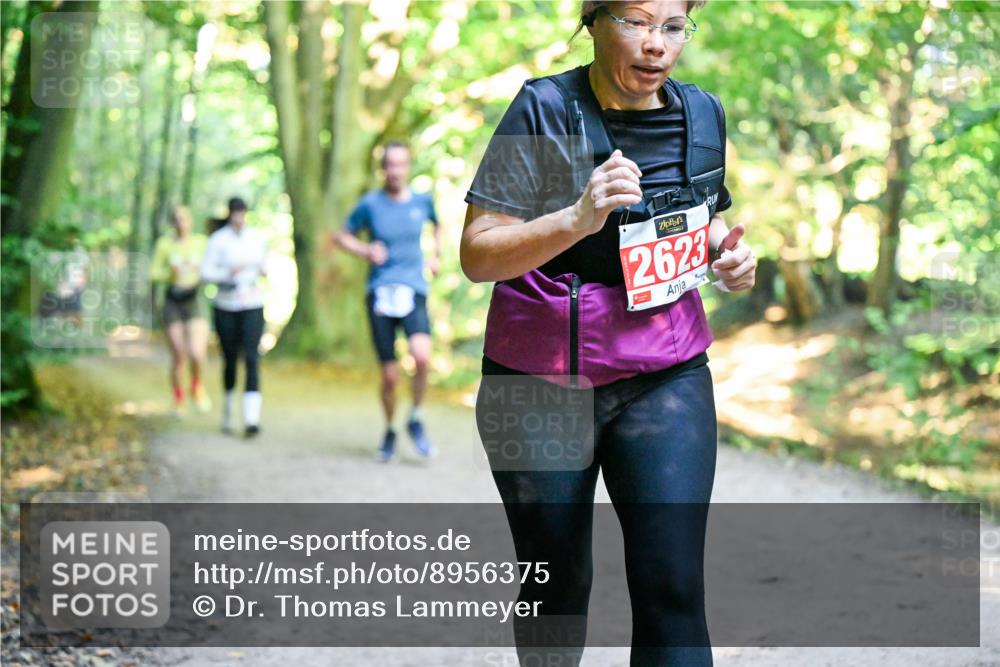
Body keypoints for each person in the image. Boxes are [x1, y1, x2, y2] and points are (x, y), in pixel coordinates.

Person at [460, 2, 757, 665]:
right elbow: (478, 253)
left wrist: (727, 254)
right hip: (538, 379)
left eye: (672, 27)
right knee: (556, 583)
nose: (656, 45)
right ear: (594, 22)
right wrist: (577, 215)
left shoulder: (702, 114)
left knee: (673, 587)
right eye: (636, 22)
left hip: (665, 373)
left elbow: (696, 217)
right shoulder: (540, 108)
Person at [335, 141, 442, 462]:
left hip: (413, 289)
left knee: (422, 357)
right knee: (390, 375)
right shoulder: (370, 205)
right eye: (389, 165)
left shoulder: (423, 201)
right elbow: (342, 235)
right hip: (380, 291)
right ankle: (390, 429)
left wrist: (436, 256)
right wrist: (364, 251)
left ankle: (416, 418)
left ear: (408, 166)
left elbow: (438, 225)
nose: (395, 171)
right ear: (382, 169)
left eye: (401, 164)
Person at [200, 197, 268, 438]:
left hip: (251, 303)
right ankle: (228, 409)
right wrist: (228, 272)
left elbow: (265, 265)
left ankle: (252, 418)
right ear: (229, 214)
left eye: (242, 213)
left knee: (252, 357)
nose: (239, 217)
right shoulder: (218, 240)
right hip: (226, 305)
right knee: (229, 358)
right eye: (235, 213)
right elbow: (205, 272)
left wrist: (261, 270)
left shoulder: (257, 238)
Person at [150, 206, 211, 415]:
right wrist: (171, 273)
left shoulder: (201, 243)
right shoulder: (164, 245)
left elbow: (212, 266)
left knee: (196, 352)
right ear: (172, 223)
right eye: (176, 219)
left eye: (184, 219)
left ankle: (197, 385)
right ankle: (178, 399)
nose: (181, 223)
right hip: (172, 301)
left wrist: (200, 274)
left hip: (194, 300)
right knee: (178, 353)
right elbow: (154, 273)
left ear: (190, 221)